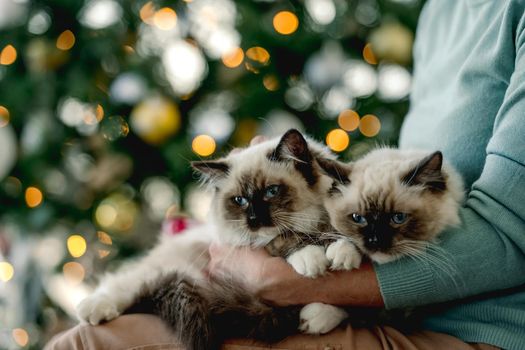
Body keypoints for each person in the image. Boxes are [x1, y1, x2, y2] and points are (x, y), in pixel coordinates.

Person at [46, 0, 525, 349]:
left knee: (88, 344)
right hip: (390, 304)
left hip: (476, 329)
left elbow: (512, 233)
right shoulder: (438, 13)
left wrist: (304, 286)